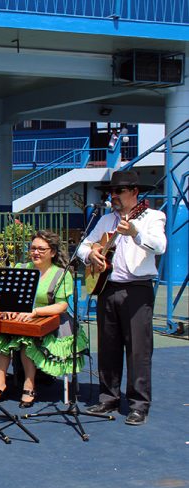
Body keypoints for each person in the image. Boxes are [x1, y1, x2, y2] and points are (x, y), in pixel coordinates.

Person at [77, 170, 166, 426]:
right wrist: (90, 256)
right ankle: (108, 397)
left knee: (138, 349)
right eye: (111, 192)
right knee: (108, 346)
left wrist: (136, 233)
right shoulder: (106, 220)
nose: (113, 196)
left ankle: (138, 404)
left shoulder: (153, 217)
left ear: (134, 192)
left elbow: (160, 246)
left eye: (118, 191)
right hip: (108, 288)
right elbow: (84, 245)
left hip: (137, 288)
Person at [0, 231, 88, 408]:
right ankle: (0, 384)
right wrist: (11, 308)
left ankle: (29, 385)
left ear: (52, 252)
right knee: (1, 337)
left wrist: (35, 312)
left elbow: (61, 306)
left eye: (41, 249)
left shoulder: (61, 274)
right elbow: (9, 295)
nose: (35, 252)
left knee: (27, 340)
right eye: (33, 248)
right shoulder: (22, 268)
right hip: (22, 317)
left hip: (52, 321)